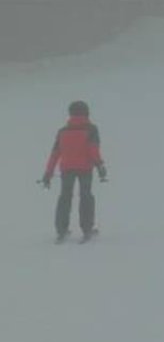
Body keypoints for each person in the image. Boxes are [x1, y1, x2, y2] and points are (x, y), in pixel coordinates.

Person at [40, 100, 107, 243]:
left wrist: (48, 173)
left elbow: (55, 153)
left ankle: (61, 229)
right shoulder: (91, 129)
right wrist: (100, 166)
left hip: (67, 169)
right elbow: (93, 150)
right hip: (85, 169)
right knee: (86, 197)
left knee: (65, 197)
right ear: (86, 112)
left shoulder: (63, 131)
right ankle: (87, 228)